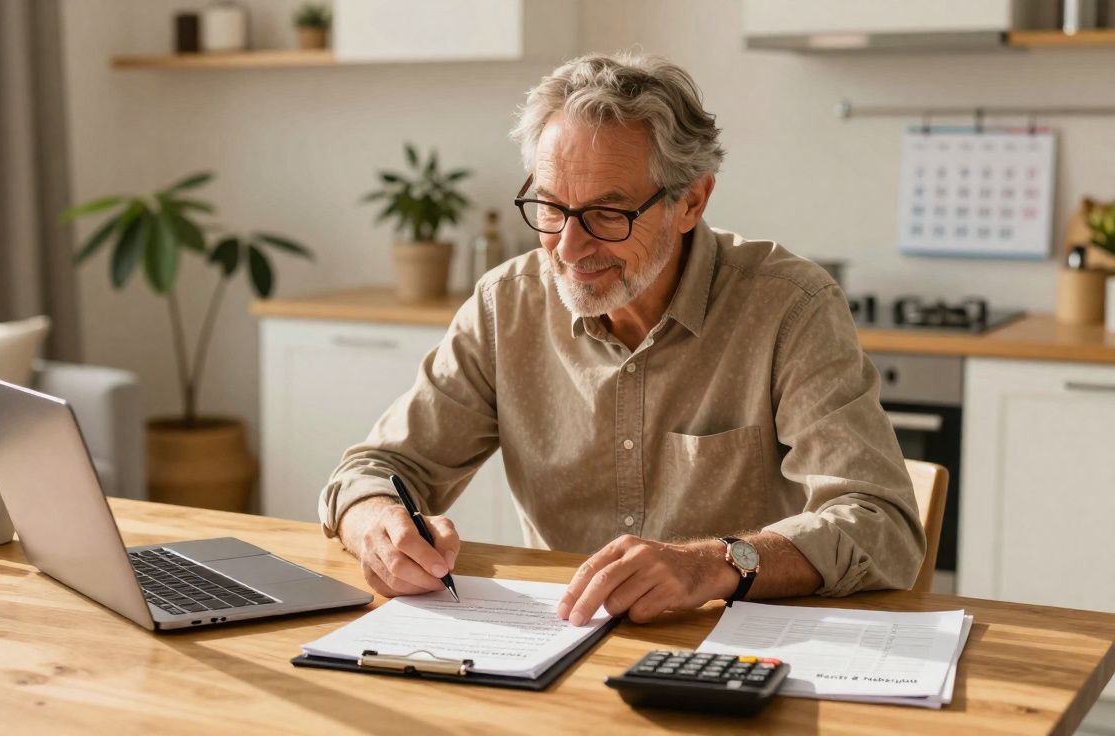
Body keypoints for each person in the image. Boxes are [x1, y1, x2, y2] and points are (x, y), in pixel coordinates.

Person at [318, 52, 924, 625]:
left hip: (739, 648)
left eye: (609, 215)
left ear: (691, 200)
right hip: (559, 641)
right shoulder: (507, 305)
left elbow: (883, 525)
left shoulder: (790, 309)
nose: (570, 248)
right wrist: (378, 524)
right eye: (551, 209)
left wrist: (712, 563)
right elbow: (375, 469)